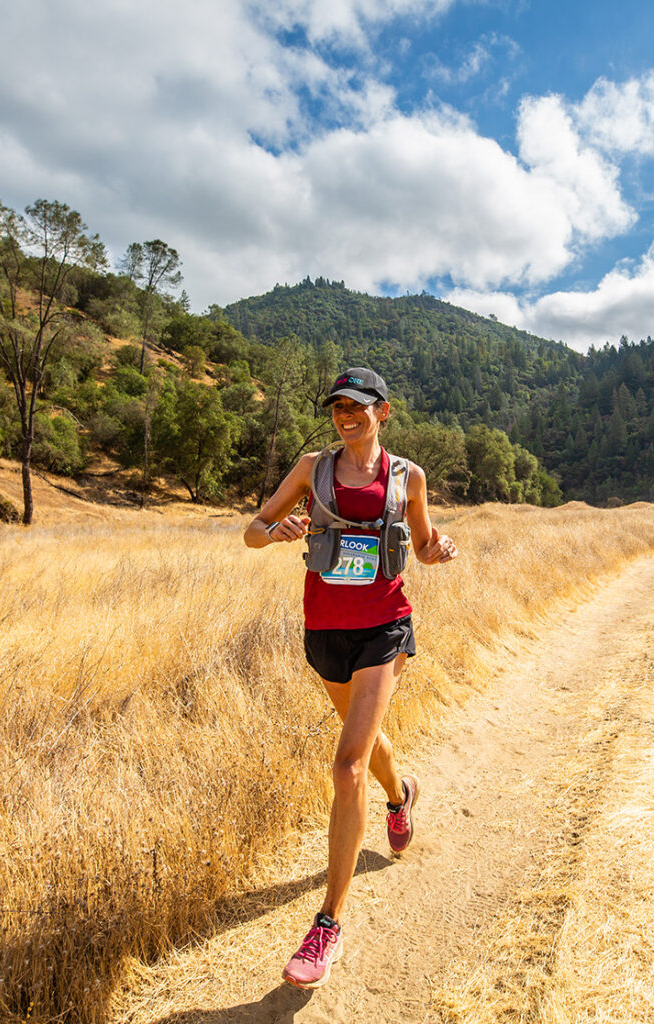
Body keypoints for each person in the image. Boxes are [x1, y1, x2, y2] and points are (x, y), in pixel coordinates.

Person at [243, 366, 457, 990]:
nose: (346, 415)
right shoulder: (312, 467)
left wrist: (436, 550)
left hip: (384, 626)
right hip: (324, 630)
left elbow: (418, 545)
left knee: (345, 766)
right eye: (338, 405)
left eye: (358, 406)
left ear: (382, 412)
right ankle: (401, 795)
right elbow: (251, 532)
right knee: (364, 747)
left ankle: (327, 925)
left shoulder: (408, 477)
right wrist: (274, 531)